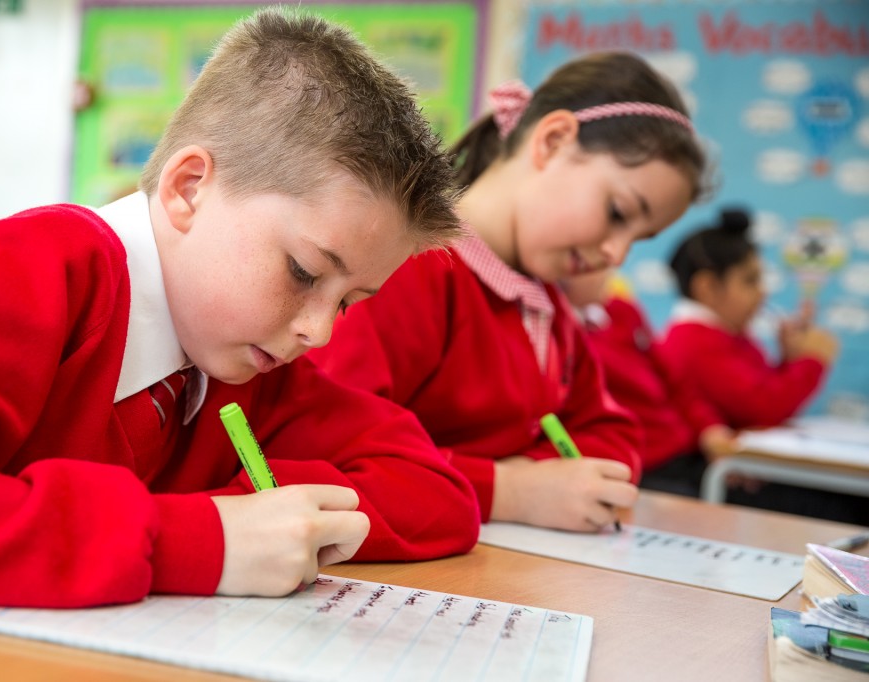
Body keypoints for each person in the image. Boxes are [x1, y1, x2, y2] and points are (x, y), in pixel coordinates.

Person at [0, 8, 480, 624]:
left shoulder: (244, 366)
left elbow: (437, 493)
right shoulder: (31, 271)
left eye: (347, 302)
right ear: (188, 189)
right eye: (303, 272)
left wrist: (262, 520)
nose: (318, 332)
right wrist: (197, 538)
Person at [310, 52, 708, 532]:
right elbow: (328, 446)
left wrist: (536, 480)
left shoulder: (545, 303)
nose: (617, 254)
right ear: (553, 141)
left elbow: (613, 436)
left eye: (639, 239)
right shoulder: (406, 268)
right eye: (618, 213)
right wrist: (508, 489)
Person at [562, 269, 735, 497]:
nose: (609, 263)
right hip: (640, 470)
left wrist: (710, 429)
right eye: (584, 257)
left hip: (686, 454)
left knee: (762, 487)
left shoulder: (623, 310)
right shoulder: (561, 335)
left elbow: (676, 382)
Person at [662, 208, 838, 429]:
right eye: (750, 281)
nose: (763, 292)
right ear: (707, 287)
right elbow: (762, 408)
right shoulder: (694, 342)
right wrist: (812, 361)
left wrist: (790, 359)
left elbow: (761, 390)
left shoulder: (727, 335)